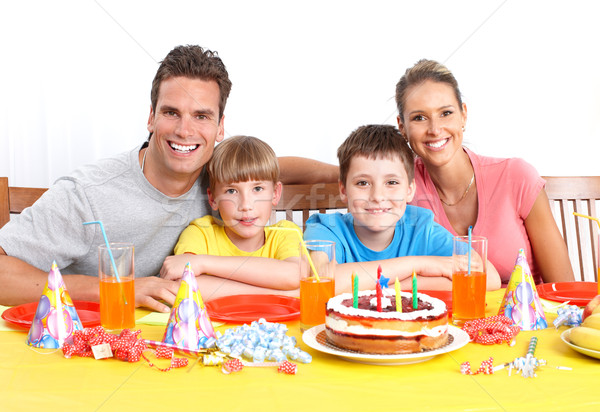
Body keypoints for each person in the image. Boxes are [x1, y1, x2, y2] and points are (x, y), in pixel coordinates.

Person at [0, 45, 335, 312]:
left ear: (220, 127)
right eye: (171, 112)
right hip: (91, 336)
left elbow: (276, 168)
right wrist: (116, 289)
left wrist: (343, 177)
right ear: (151, 117)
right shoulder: (87, 193)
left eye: (201, 116)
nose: (184, 131)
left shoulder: (220, 178)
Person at [395, 59, 574, 285]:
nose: (435, 129)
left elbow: (564, 289)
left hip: (525, 318)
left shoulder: (516, 176)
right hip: (442, 319)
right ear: (402, 126)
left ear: (463, 115)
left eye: (446, 113)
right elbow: (359, 174)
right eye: (419, 117)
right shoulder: (397, 187)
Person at [303, 124, 501, 293]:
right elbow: (323, 279)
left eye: (391, 182)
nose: (378, 196)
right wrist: (421, 265)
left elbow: (489, 278)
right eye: (363, 183)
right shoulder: (326, 229)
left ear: (409, 190)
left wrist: (395, 284)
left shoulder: (421, 229)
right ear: (343, 190)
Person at [159, 135, 301, 294]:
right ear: (213, 198)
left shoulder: (287, 233)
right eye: (231, 191)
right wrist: (279, 293)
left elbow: (293, 275)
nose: (246, 205)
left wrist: (202, 263)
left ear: (275, 193)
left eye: (258, 189)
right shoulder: (201, 233)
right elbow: (186, 286)